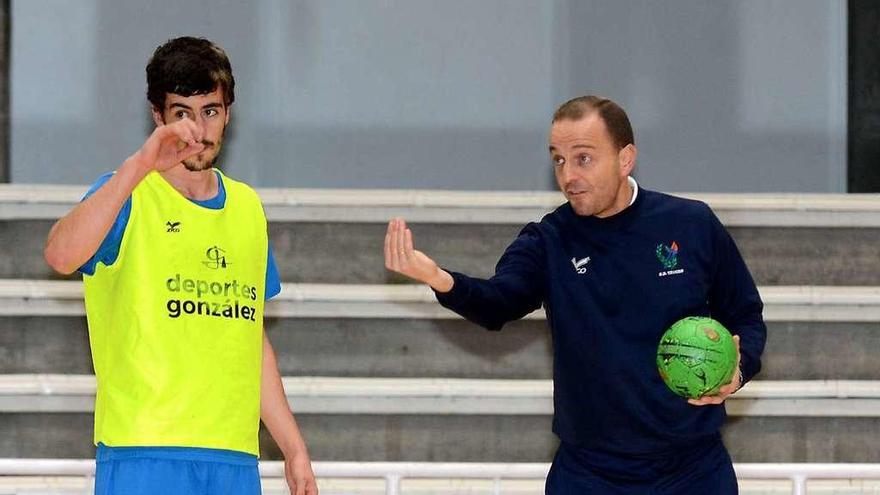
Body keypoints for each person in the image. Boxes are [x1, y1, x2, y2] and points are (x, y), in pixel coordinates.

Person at [385, 95, 766, 494]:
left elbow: (745, 314)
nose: (568, 176)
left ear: (625, 159)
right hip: (590, 473)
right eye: (558, 160)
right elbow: (498, 302)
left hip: (692, 470)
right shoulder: (548, 240)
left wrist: (738, 371)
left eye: (583, 158)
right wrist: (439, 278)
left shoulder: (691, 224)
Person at [44, 37, 317, 495]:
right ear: (158, 117)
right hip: (144, 451)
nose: (197, 130)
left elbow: (248, 337)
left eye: (209, 110)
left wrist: (292, 448)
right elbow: (59, 255)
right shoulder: (126, 196)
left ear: (228, 112)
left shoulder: (248, 208)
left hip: (233, 456)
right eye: (181, 113)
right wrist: (139, 166)